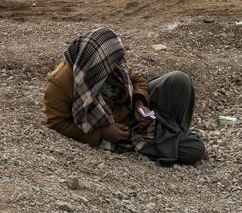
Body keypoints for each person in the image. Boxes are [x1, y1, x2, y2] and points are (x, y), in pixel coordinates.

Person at [43, 27, 206, 166]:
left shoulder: (105, 62)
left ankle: (173, 133)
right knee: (196, 149)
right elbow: (56, 122)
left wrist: (139, 103)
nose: (118, 65)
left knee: (179, 80)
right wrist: (102, 132)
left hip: (133, 112)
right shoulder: (59, 84)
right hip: (124, 129)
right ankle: (169, 137)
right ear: (99, 63)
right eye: (113, 62)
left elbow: (135, 78)